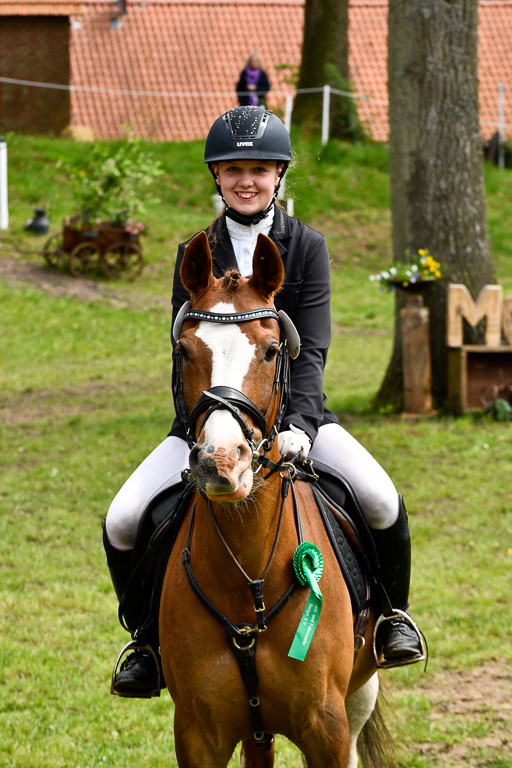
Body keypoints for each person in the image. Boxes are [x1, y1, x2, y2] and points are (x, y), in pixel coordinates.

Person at [103, 105, 425, 697]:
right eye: (231, 170)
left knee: (380, 500)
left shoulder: (307, 248)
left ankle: (390, 620)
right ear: (216, 178)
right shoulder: (193, 254)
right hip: (204, 426)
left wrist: (300, 424)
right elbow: (186, 355)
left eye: (258, 168)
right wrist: (198, 432)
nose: (245, 180)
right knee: (123, 519)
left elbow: (314, 350)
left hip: (297, 421)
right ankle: (146, 642)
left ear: (280, 174)